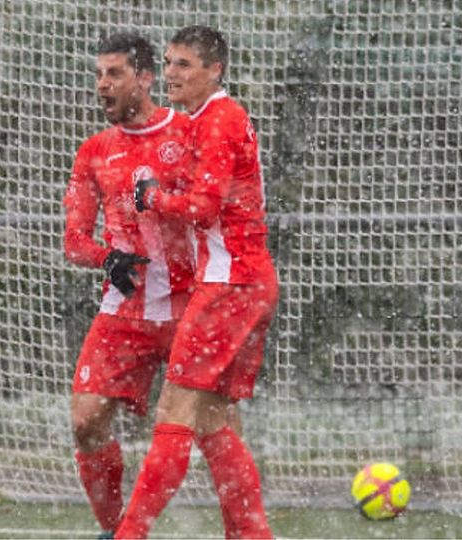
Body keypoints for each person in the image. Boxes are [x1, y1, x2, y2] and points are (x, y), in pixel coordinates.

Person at [116, 25, 278, 539]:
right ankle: (252, 535)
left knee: (176, 409)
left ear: (215, 70)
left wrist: (155, 198)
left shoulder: (218, 121)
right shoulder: (213, 119)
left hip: (230, 284)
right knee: (212, 422)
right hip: (247, 283)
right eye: (167, 63)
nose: (170, 74)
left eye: (183, 64)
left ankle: (130, 534)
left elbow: (205, 207)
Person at [62, 32, 196, 539]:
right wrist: (107, 257)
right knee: (85, 420)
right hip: (126, 310)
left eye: (114, 74)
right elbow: (74, 240)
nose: (102, 84)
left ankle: (246, 526)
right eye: (99, 74)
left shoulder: (187, 132)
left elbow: (217, 210)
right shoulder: (94, 151)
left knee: (213, 426)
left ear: (145, 77)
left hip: (190, 306)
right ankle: (116, 531)